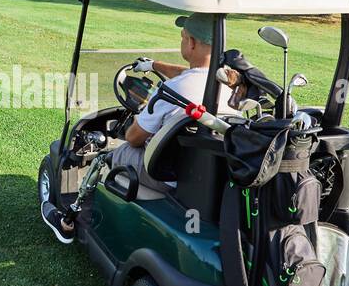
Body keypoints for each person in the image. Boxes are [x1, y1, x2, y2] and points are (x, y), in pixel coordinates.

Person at [43, 12, 232, 244]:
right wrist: (153, 65)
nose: (182, 41)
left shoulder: (173, 90)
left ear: (191, 43)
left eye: (183, 37)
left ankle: (69, 220)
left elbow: (133, 137)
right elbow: (191, 74)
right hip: (205, 175)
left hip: (166, 175)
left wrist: (144, 116)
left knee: (112, 154)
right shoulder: (230, 88)